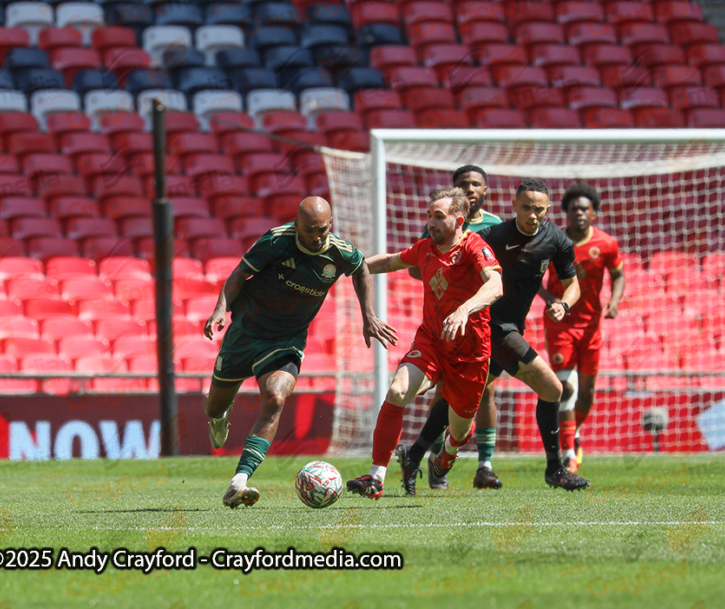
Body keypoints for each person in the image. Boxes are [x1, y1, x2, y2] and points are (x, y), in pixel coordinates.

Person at [203, 197, 398, 508]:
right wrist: (219, 311)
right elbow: (239, 274)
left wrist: (368, 315)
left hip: (287, 339)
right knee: (213, 407)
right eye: (310, 230)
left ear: (329, 225)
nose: (317, 237)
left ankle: (239, 481)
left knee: (275, 398)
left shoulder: (340, 251)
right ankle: (219, 417)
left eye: (322, 230)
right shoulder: (275, 241)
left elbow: (361, 267)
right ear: (297, 225)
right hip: (245, 332)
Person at [396, 179, 591, 492]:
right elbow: (454, 258)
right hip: (491, 326)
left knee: (457, 397)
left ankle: (414, 454)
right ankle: (556, 469)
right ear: (513, 206)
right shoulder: (492, 236)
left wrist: (564, 304)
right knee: (552, 388)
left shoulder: (556, 238)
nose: (533, 214)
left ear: (547, 210)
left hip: (511, 327)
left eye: (539, 209)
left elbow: (573, 284)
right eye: (526, 207)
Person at [346, 187, 503, 500]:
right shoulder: (425, 248)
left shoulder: (475, 247)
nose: (431, 222)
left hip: (470, 353)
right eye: (429, 215)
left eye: (438, 216)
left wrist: (464, 309)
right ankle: (376, 477)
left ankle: (446, 453)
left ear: (460, 220)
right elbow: (390, 261)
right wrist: (349, 264)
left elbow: (496, 284)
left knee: (459, 432)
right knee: (397, 391)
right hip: (431, 341)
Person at [408, 165, 505, 490]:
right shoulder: (437, 226)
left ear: (485, 191)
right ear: (456, 192)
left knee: (484, 390)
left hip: (486, 320)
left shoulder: (496, 227)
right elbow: (415, 263)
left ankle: (485, 464)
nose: (471, 188)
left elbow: (499, 276)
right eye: (464, 184)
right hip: (445, 324)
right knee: (441, 393)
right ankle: (437, 462)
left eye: (476, 183)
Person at [541, 183, 625, 472]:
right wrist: (548, 297)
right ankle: (567, 456)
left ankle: (573, 432)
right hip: (559, 323)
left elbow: (618, 276)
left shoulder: (606, 244)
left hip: (591, 327)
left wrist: (614, 302)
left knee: (586, 394)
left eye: (584, 208)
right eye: (573, 208)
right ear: (565, 212)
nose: (579, 212)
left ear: (594, 213)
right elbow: (531, 278)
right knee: (565, 387)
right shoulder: (551, 241)